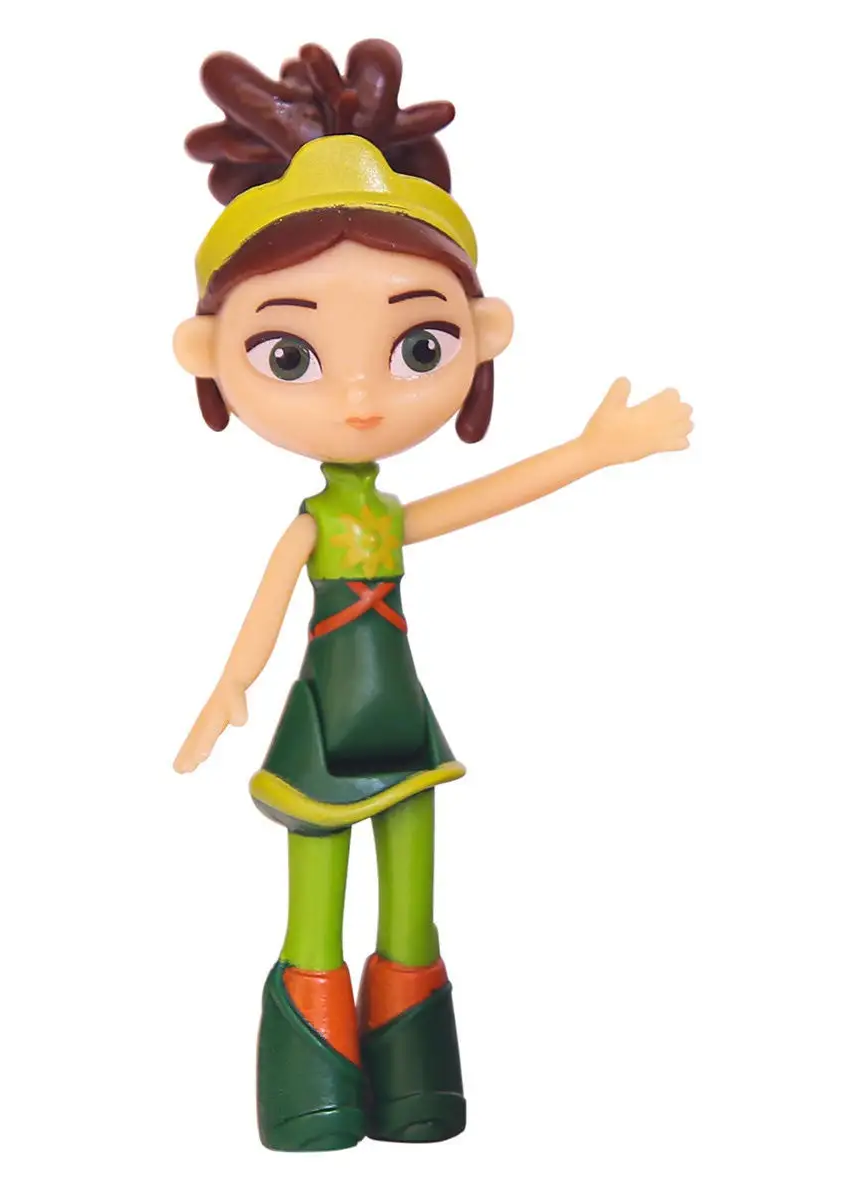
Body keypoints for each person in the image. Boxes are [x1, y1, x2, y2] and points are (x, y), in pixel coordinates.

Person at [172, 39, 693, 1152]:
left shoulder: (386, 520)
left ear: (482, 334)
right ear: (208, 355)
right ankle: (311, 1083)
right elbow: (266, 608)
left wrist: (596, 451)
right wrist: (228, 689)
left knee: (413, 885)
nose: (361, 396)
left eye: (417, 344)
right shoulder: (319, 526)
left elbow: (489, 499)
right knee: (315, 886)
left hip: (403, 718)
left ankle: (416, 1074)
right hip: (322, 726)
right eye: (291, 355)